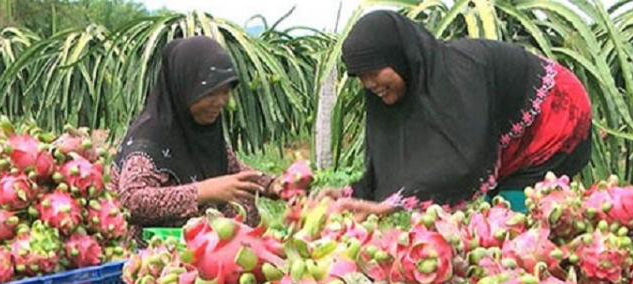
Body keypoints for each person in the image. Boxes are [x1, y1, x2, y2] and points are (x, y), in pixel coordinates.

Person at [325, 10, 593, 219]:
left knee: (518, 215)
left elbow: (463, 162)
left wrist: (389, 207)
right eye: (359, 76)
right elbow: (396, 158)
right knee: (497, 212)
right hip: (516, 134)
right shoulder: (415, 87)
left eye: (373, 72)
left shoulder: (456, 79)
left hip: (558, 115)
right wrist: (354, 194)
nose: (368, 83)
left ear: (398, 58)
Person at [110, 36, 283, 245]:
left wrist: (272, 185)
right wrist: (203, 191)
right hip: (160, 258)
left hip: (209, 256)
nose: (220, 102)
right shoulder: (149, 139)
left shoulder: (201, 129)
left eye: (225, 92)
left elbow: (234, 171)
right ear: (185, 87)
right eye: (210, 93)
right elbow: (132, 201)